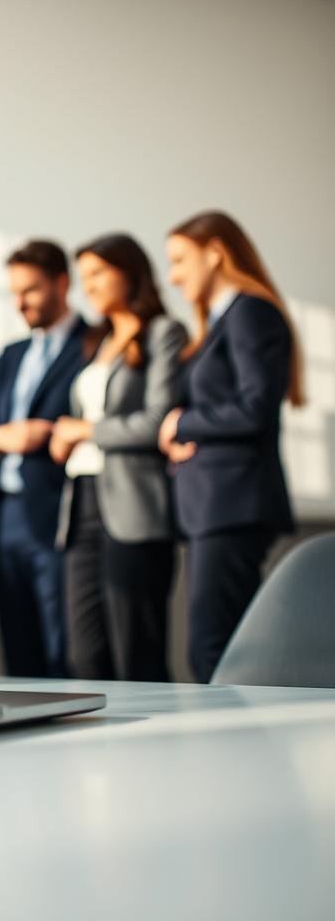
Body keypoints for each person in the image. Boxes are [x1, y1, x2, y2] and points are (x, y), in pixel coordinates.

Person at [157, 210, 301, 683]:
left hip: (232, 505)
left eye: (180, 260)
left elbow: (255, 407)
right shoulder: (220, 323)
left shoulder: (250, 313)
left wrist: (184, 422)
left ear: (215, 252)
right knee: (218, 647)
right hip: (214, 507)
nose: (173, 276)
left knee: (213, 650)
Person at [49, 234, 186, 682]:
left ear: (129, 272)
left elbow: (158, 420)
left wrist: (85, 430)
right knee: (86, 654)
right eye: (83, 276)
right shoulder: (98, 342)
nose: (88, 286)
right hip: (82, 503)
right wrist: (64, 437)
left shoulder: (163, 332)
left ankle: (154, 748)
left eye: (98, 273)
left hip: (133, 505)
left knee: (137, 654)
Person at [0, 240, 88, 678]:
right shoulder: (12, 354)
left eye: (31, 290)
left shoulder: (94, 344)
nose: (20, 303)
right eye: (14, 292)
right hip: (5, 517)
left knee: (63, 649)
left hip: (60, 512)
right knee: (17, 651)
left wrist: (49, 431)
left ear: (61, 283)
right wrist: (3, 437)